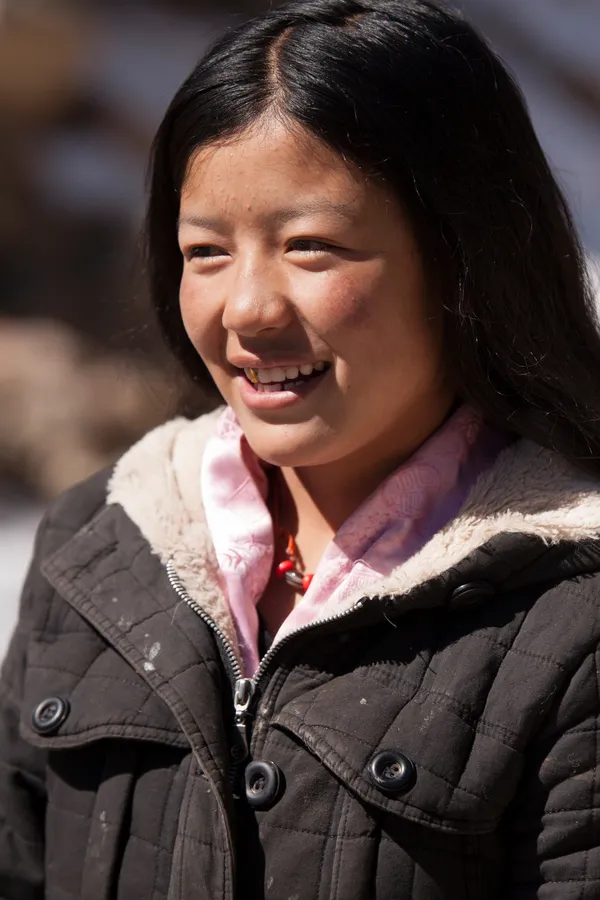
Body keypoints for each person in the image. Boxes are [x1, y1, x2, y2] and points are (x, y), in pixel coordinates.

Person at [2, 0, 600, 896]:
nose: (247, 309)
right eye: (206, 251)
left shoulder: (573, 614)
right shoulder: (102, 544)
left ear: (466, 257)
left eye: (311, 246)